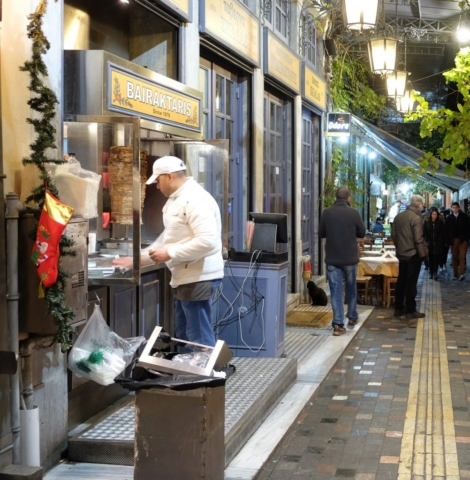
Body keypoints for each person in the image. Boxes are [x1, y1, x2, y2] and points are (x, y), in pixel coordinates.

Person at [113, 156, 224, 346]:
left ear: (170, 176)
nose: (157, 186)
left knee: (197, 336)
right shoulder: (176, 199)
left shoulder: (196, 200)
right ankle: (187, 371)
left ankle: (203, 374)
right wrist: (138, 259)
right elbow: (168, 237)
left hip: (198, 276)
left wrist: (170, 253)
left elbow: (207, 242)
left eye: (158, 180)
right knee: (184, 333)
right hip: (186, 274)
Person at [319, 187, 366, 336]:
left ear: (335, 197)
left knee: (335, 291)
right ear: (349, 198)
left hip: (333, 258)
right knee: (351, 289)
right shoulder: (354, 213)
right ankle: (352, 317)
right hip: (350, 258)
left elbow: (321, 233)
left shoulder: (327, 213)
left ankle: (338, 324)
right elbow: (362, 232)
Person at [392, 195, 428, 320]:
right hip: (413, 254)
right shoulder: (416, 218)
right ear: (419, 205)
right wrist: (423, 254)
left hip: (402, 253)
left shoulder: (398, 217)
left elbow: (394, 236)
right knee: (411, 283)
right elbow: (418, 239)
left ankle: (398, 307)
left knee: (401, 281)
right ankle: (411, 309)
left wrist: (399, 248)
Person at [445, 201, 470, 281]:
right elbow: (447, 230)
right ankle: (455, 274)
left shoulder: (464, 217)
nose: (455, 209)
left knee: (462, 257)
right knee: (454, 257)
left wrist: (466, 238)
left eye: (456, 207)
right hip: (453, 240)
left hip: (463, 240)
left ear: (459, 208)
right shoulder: (449, 218)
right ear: (451, 209)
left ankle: (462, 274)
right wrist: (448, 241)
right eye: (453, 208)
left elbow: (468, 228)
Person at [423, 207, 445, 281]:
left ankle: (435, 272)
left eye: (435, 214)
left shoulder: (439, 222)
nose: (434, 216)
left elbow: (443, 232)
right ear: (430, 215)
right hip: (429, 243)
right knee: (430, 259)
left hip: (438, 243)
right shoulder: (426, 223)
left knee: (436, 258)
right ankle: (431, 272)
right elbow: (424, 233)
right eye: (433, 214)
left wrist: (442, 241)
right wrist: (425, 242)